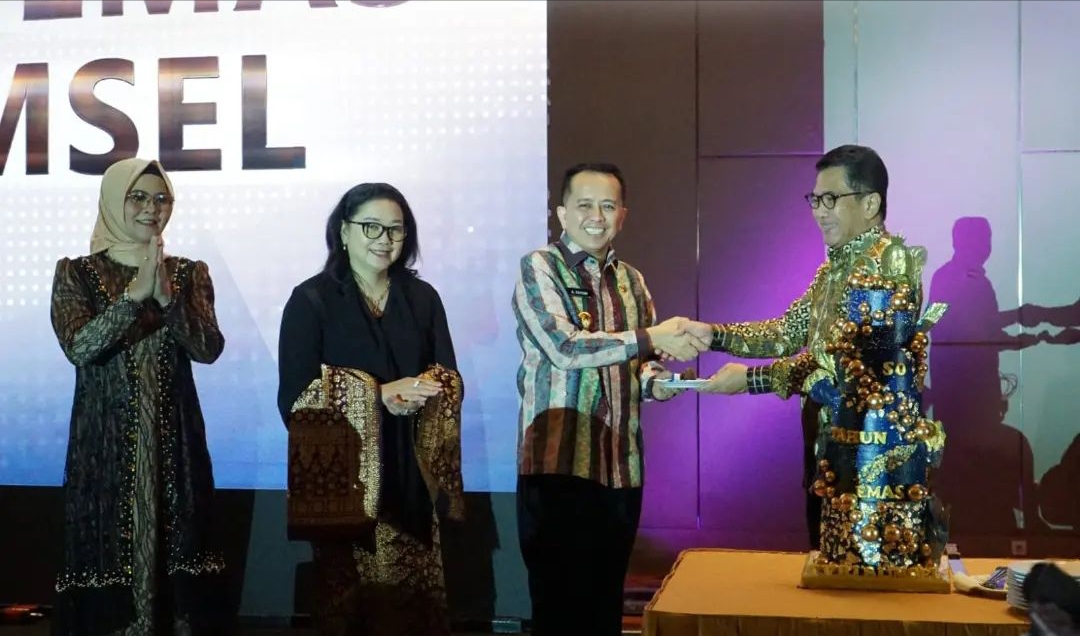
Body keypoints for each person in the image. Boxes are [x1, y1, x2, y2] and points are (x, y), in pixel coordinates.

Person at [512, 162, 710, 636]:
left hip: (621, 466)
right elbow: (564, 348)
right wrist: (651, 338)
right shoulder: (539, 267)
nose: (596, 216)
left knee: (604, 604)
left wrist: (659, 381)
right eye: (584, 205)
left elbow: (642, 362)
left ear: (622, 215)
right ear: (562, 213)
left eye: (607, 206)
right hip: (558, 463)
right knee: (559, 608)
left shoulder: (632, 281)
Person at [49, 157, 227, 636]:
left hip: (174, 445)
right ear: (114, 201)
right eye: (139, 197)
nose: (152, 208)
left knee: (178, 553)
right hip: (105, 446)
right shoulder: (77, 274)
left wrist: (167, 299)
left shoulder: (187, 273)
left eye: (161, 198)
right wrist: (132, 297)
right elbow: (80, 347)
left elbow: (208, 348)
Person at [277, 182, 465, 636]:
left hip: (410, 472)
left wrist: (428, 388)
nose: (384, 239)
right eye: (371, 227)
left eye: (395, 230)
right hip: (344, 482)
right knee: (349, 608)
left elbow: (449, 376)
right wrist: (377, 395)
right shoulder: (311, 299)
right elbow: (295, 399)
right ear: (344, 232)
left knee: (412, 610)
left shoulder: (423, 298)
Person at [697, 144, 901, 549]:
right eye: (815, 199)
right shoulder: (834, 269)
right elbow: (785, 332)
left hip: (869, 454)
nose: (819, 211)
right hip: (825, 445)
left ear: (870, 203)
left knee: (855, 575)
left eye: (831, 199)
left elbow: (849, 369)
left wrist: (752, 379)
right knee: (824, 562)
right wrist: (712, 334)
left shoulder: (887, 270)